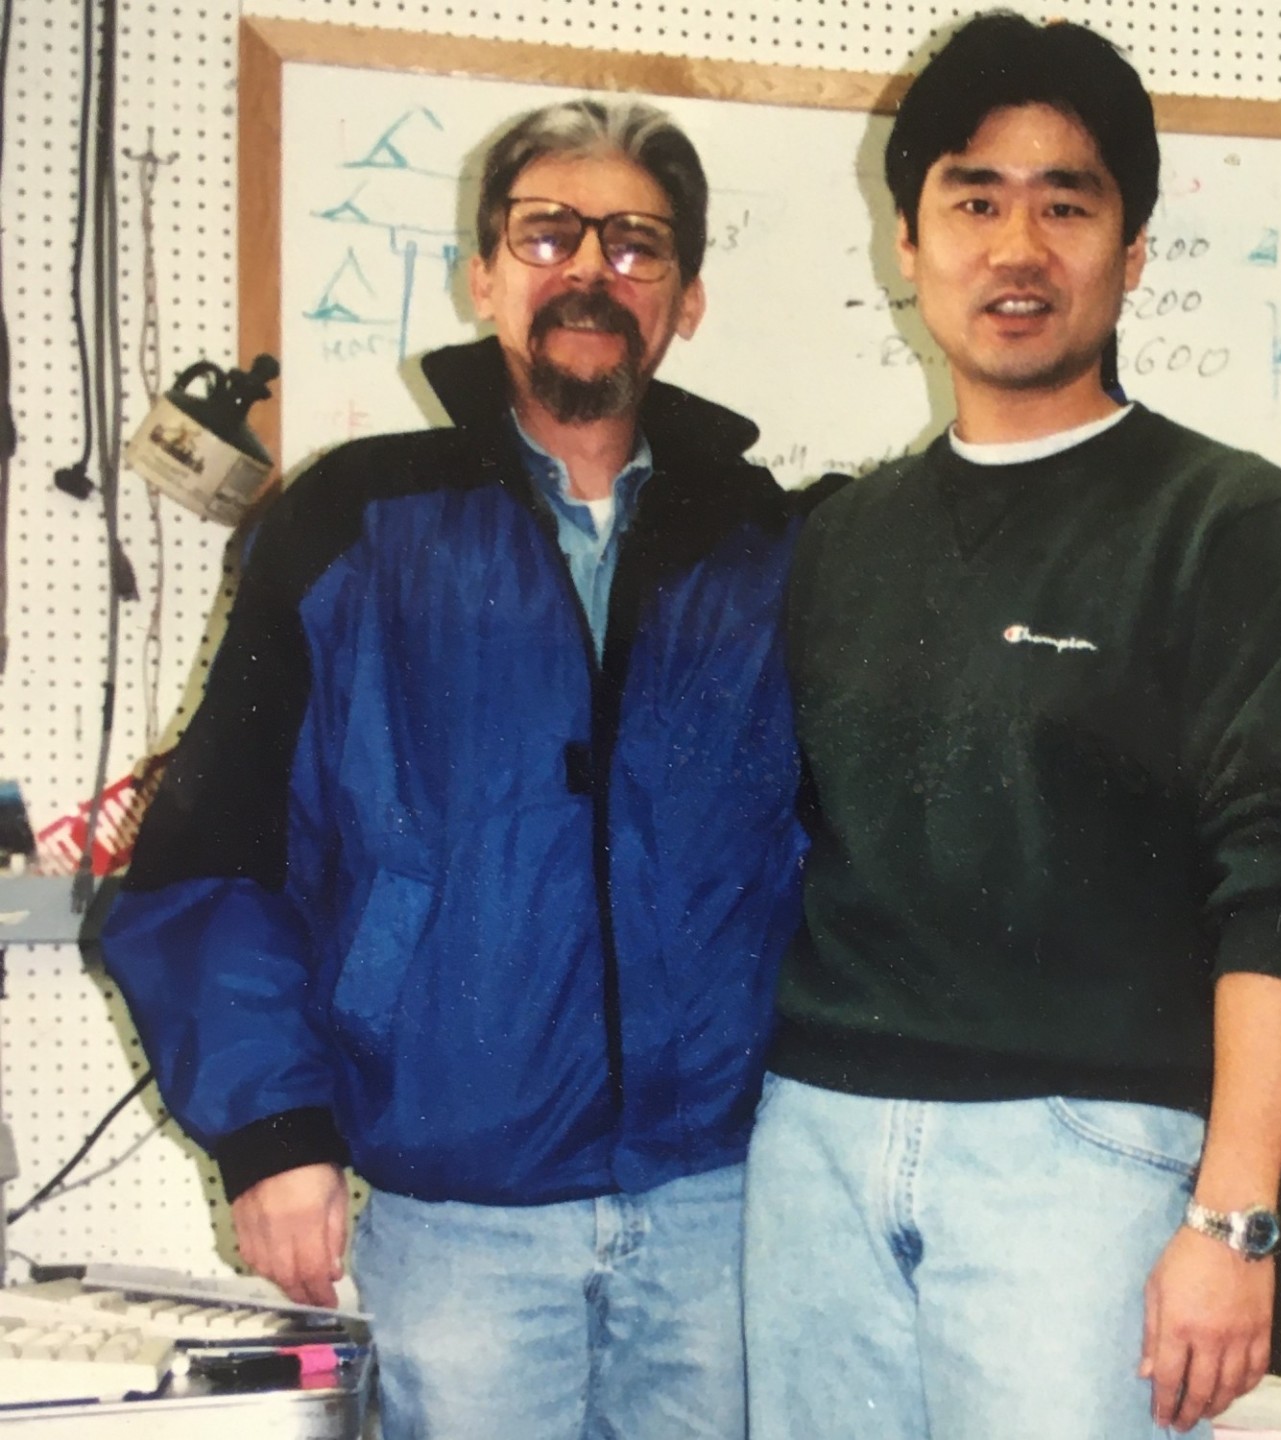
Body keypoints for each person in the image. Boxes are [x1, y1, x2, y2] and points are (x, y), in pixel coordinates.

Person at [103, 98, 809, 1440]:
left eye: (637, 244)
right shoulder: (349, 521)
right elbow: (210, 859)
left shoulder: (772, 547)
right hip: (458, 1224)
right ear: (482, 276)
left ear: (689, 298)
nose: (590, 270)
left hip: (723, 1207)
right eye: (548, 235)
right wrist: (274, 1132)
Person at [743, 13, 1281, 1439]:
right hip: (818, 1147)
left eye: (1065, 203)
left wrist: (1236, 1215)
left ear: (1131, 253)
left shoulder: (1231, 525)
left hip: (1086, 1160)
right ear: (907, 245)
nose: (1015, 247)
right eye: (973, 198)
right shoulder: (834, 541)